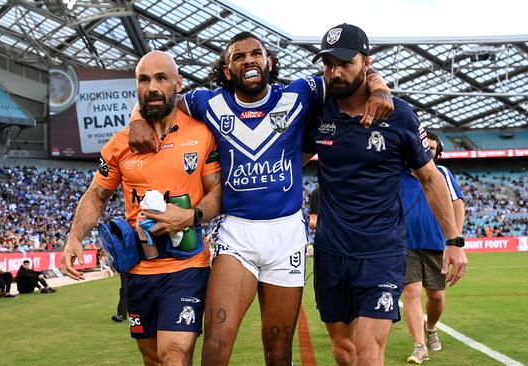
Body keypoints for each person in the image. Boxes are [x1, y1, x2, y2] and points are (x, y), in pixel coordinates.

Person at [128, 31, 394, 366]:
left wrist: (380, 86)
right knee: (217, 340)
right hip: (237, 233)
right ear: (227, 70)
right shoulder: (206, 102)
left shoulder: (300, 93)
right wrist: (137, 117)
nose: (248, 60)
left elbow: (349, 72)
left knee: (278, 350)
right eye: (238, 57)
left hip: (286, 236)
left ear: (268, 61)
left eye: (256, 53)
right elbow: (159, 96)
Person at [304, 24, 468, 366]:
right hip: (331, 250)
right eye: (328, 63)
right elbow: (293, 160)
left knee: (368, 351)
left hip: (381, 251)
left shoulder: (400, 116)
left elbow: (430, 178)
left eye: (345, 63)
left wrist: (454, 240)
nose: (335, 71)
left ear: (366, 62)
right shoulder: (318, 111)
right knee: (344, 351)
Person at [61, 51, 222, 366]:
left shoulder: (202, 134)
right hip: (137, 271)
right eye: (144, 79)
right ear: (136, 87)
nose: (153, 87)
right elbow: (96, 195)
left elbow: (217, 191)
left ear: (178, 82)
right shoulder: (120, 143)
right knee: (151, 357)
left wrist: (190, 216)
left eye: (161, 78)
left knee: (174, 354)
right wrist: (74, 237)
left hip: (186, 267)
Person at [400, 132, 466, 364]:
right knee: (411, 293)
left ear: (438, 153)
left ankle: (431, 328)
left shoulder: (443, 174)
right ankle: (419, 346)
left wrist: (456, 240)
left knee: (436, 296)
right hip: (405, 244)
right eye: (423, 146)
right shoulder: (397, 174)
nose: (426, 151)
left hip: (437, 245)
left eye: (431, 148)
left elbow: (458, 205)